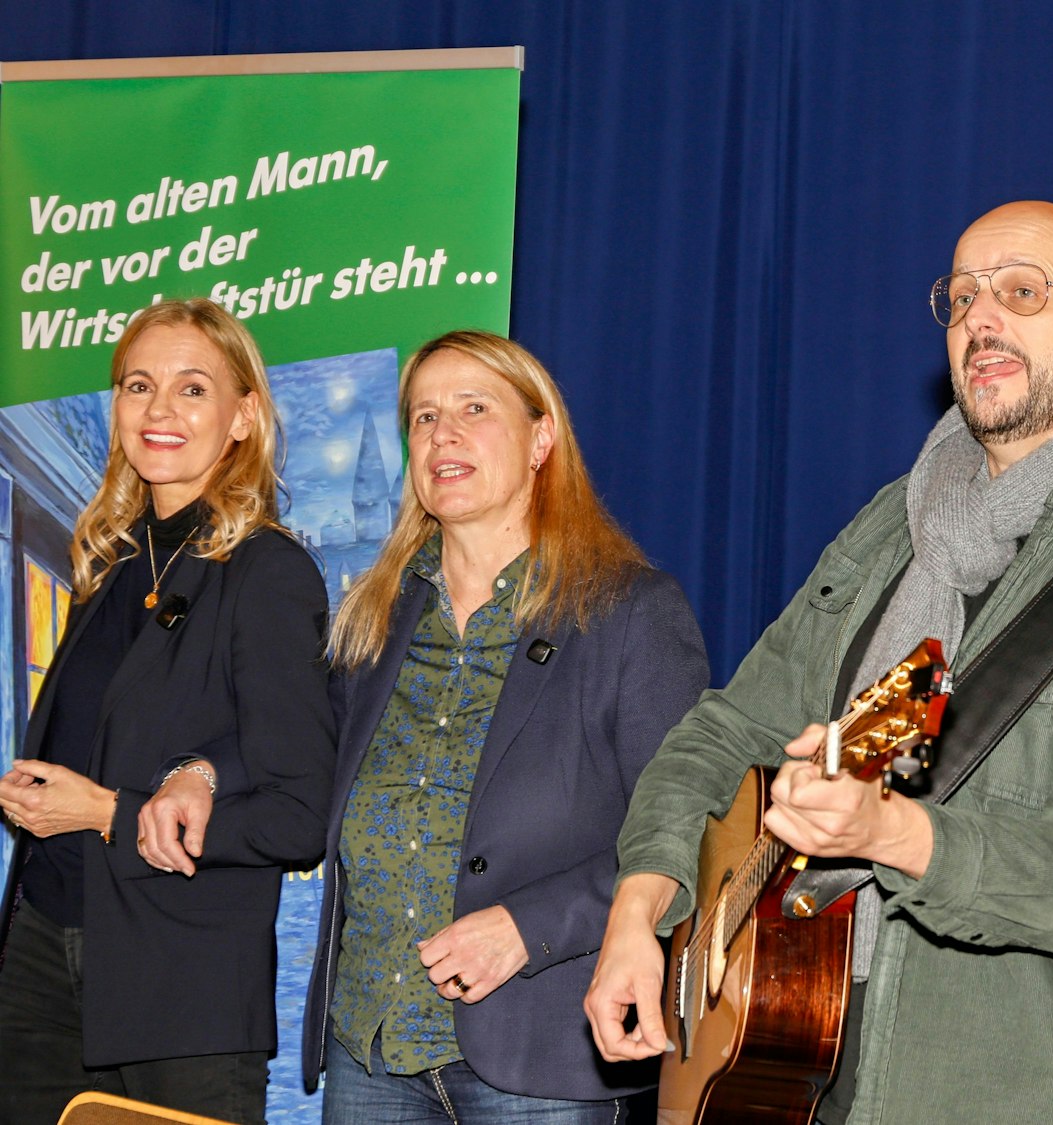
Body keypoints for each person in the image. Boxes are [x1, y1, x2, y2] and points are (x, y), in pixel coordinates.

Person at [585, 201, 1053, 1123]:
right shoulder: (890, 526)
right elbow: (728, 728)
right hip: (779, 1065)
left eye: (1024, 291)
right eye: (962, 297)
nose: (982, 319)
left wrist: (889, 834)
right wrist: (640, 910)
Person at [300, 330, 708, 1122]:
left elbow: (689, 824)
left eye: (473, 409)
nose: (441, 434)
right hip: (369, 1049)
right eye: (422, 418)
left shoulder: (629, 611)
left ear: (541, 438)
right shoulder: (372, 623)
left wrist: (528, 927)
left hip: (540, 1059)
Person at [0, 298, 335, 1124]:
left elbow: (298, 815)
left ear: (243, 418)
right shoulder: (108, 567)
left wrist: (110, 813)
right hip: (42, 949)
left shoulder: (268, 573)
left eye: (192, 388)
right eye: (139, 385)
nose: (158, 409)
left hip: (178, 991)